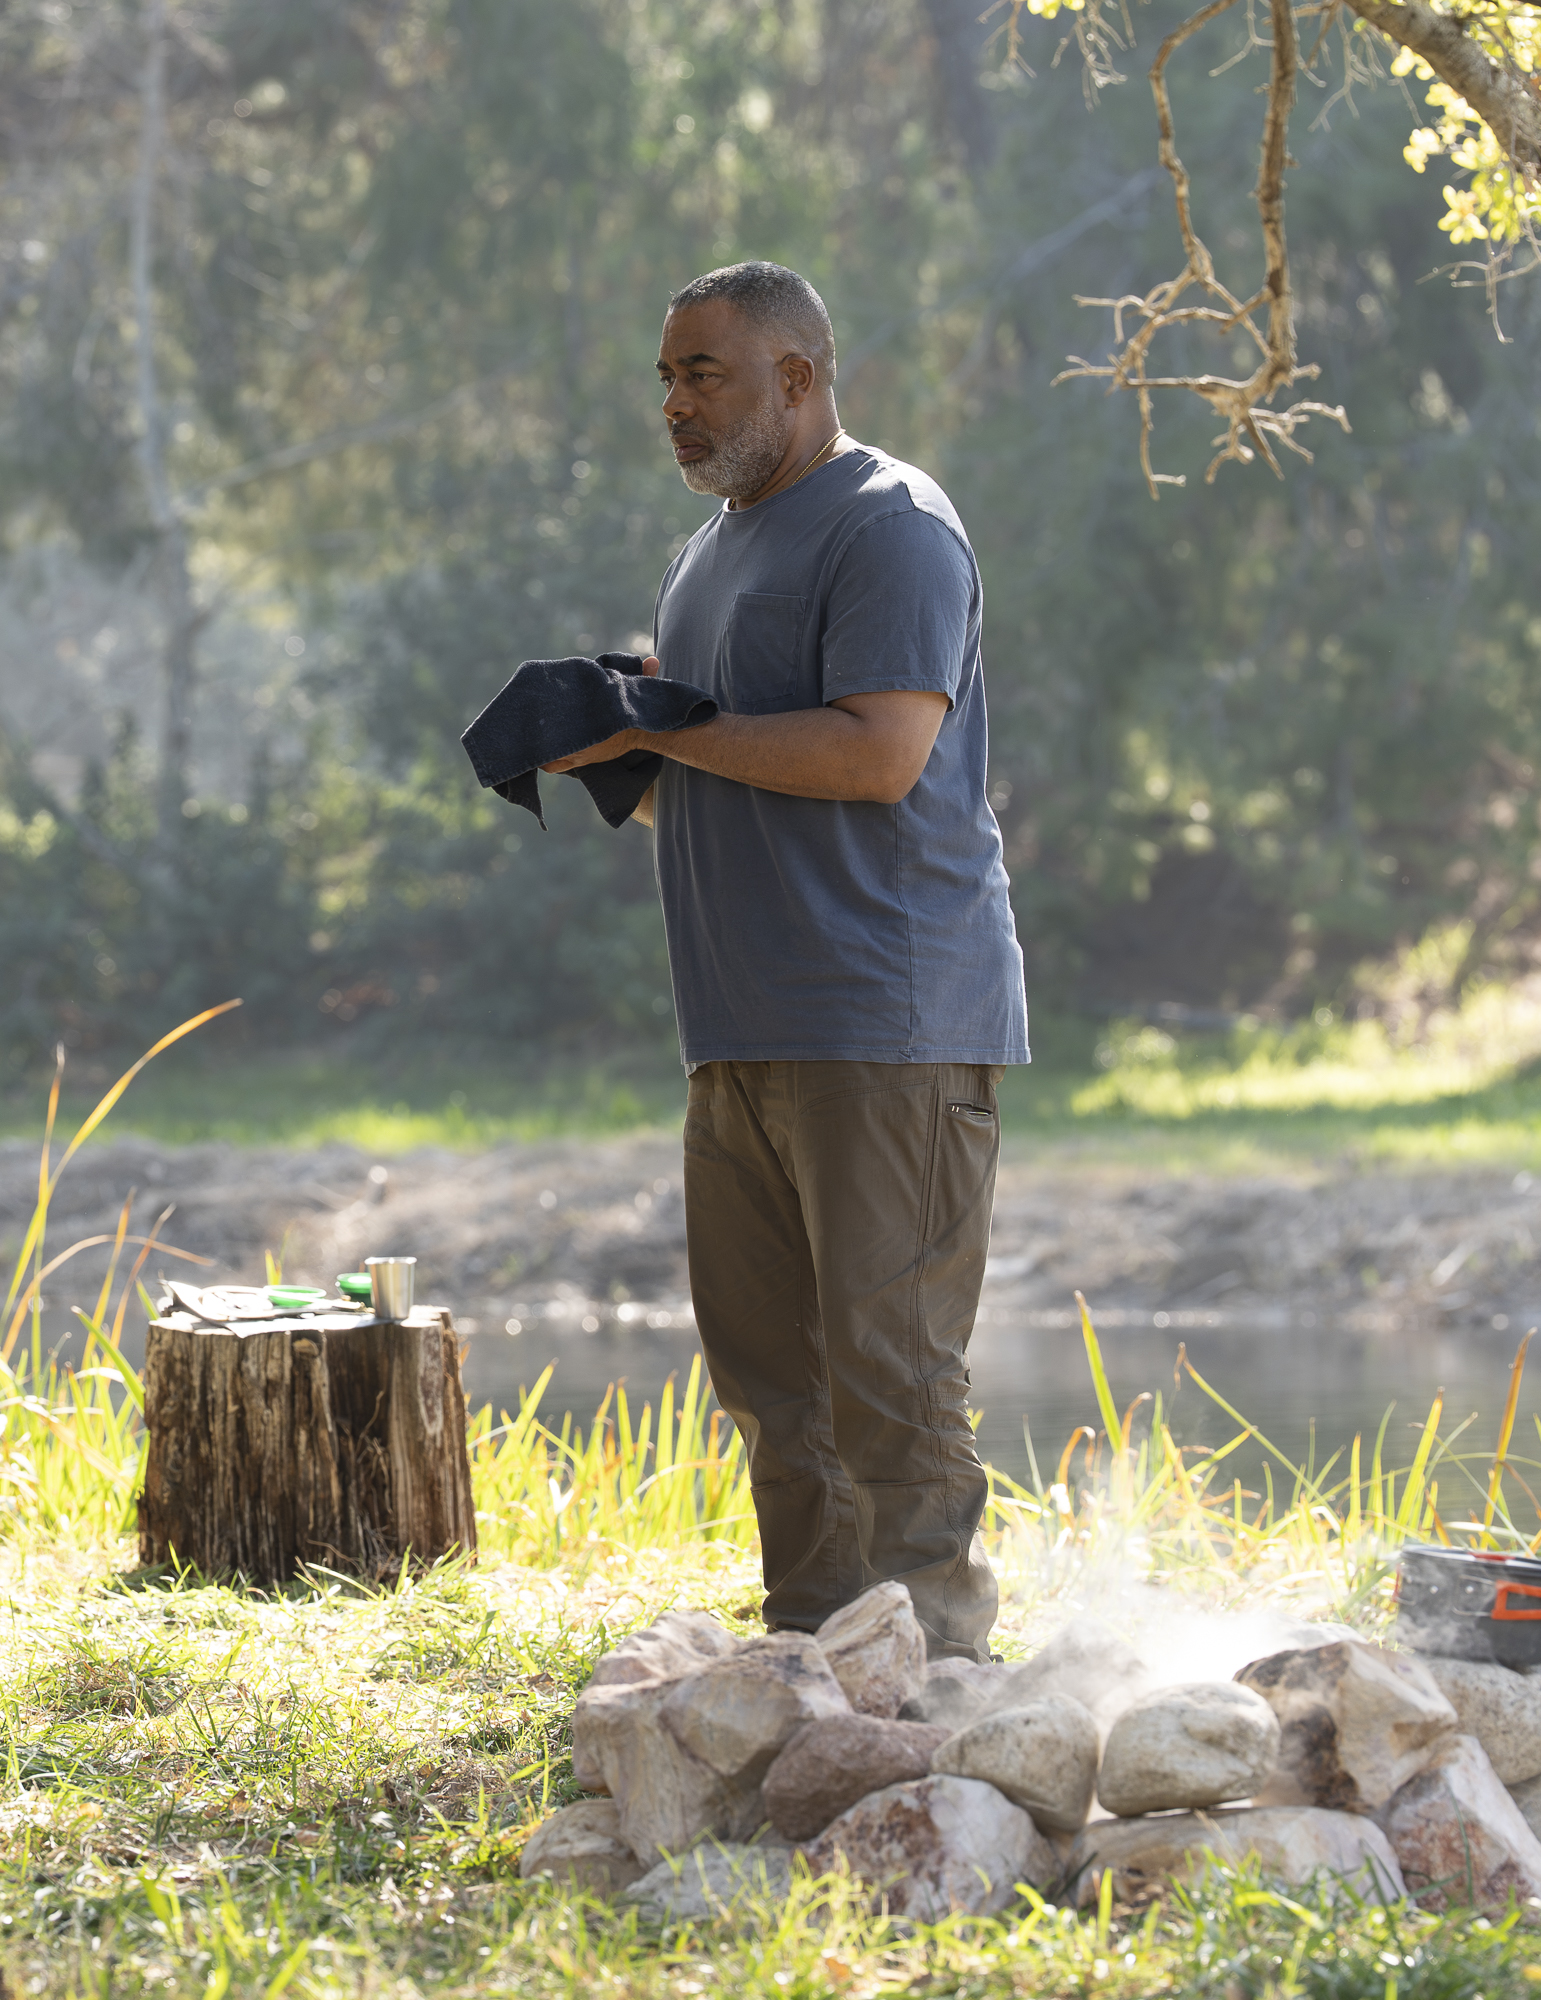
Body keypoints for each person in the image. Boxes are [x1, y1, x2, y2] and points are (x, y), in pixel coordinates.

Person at [543, 260, 1028, 1660]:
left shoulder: (890, 526)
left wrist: (667, 729)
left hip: (887, 1017)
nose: (675, 405)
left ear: (799, 377)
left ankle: (941, 1680)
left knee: (891, 1375)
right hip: (738, 1024)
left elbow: (880, 756)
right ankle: (819, 1665)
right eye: (666, 378)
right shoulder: (703, 556)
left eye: (705, 373)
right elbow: (709, 781)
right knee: (772, 1381)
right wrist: (608, 742)